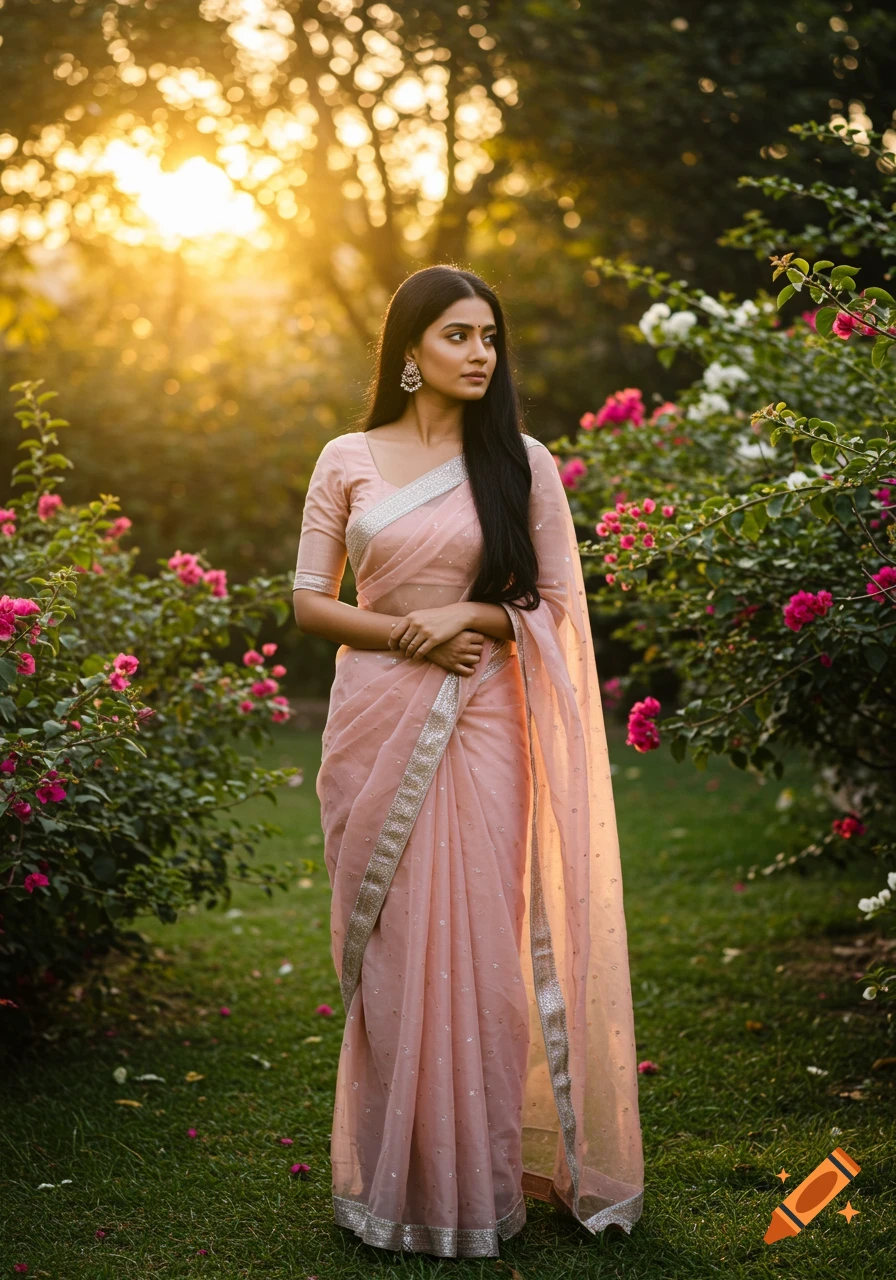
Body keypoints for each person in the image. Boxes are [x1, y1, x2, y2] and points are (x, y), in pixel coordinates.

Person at [292, 264, 644, 1258]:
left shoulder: (520, 462)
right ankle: (398, 1180)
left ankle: (479, 1182)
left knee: (482, 952)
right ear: (408, 353)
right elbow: (310, 600)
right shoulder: (347, 456)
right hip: (374, 721)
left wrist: (473, 613)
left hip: (482, 721)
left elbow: (557, 607)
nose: (479, 352)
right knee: (396, 953)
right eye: (456, 335)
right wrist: (407, 632)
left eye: (489, 336)